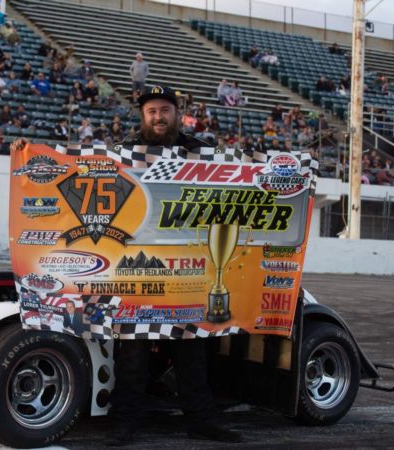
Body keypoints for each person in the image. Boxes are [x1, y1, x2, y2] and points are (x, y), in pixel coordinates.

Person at [108, 85, 242, 445]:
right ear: (143, 115)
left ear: (177, 114)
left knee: (192, 349)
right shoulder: (123, 151)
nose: (158, 116)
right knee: (133, 351)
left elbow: (242, 174)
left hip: (188, 265)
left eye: (165, 110)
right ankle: (125, 424)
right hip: (139, 265)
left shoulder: (199, 151)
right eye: (151, 110)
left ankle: (202, 420)